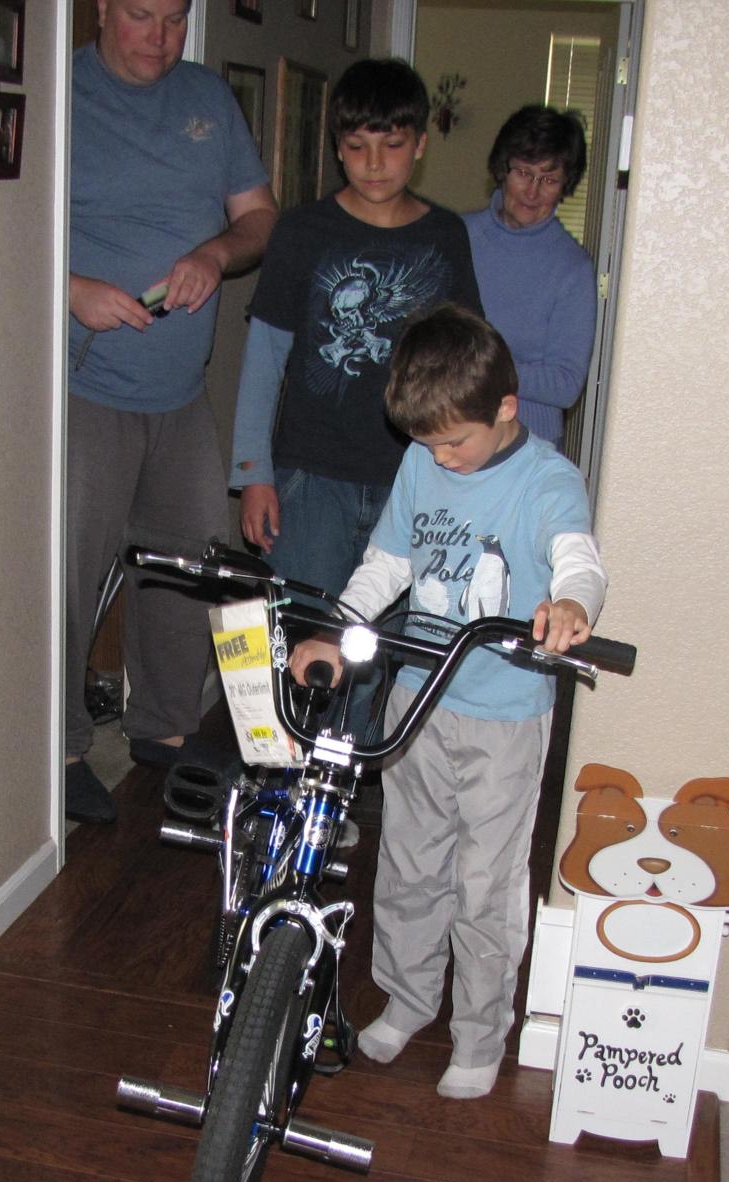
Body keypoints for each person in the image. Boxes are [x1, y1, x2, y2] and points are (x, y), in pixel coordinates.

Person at [289, 304, 607, 1100]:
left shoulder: (546, 481)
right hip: (418, 698)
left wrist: (573, 603)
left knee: (486, 882)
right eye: (427, 445)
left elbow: (578, 559)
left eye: (454, 442)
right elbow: (388, 563)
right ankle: (407, 998)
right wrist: (338, 633)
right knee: (408, 862)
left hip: (505, 716)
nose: (441, 459)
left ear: (506, 408)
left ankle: (479, 1032)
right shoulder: (424, 461)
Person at [65, 0, 278, 825]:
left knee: (189, 568)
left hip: (181, 392)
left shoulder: (207, 100)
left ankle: (161, 729)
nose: (160, 38)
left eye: (175, 19)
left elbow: (258, 218)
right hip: (88, 387)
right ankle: (63, 749)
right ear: (102, 10)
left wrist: (214, 254)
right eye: (141, 16)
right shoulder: (64, 96)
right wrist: (70, 291)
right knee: (71, 573)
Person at [229, 58, 483, 600]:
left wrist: (473, 470)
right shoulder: (300, 231)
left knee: (390, 638)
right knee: (304, 631)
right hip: (310, 476)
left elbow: (467, 367)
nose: (374, 163)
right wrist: (253, 473)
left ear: (420, 144)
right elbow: (264, 360)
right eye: (357, 145)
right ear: (338, 147)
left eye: (392, 144)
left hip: (416, 475)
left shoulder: (445, 236)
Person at [462, 105, 597, 444]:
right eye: (523, 172)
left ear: (565, 185)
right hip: (451, 433)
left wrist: (478, 370)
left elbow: (565, 384)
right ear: (502, 169)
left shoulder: (572, 268)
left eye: (549, 179)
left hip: (528, 446)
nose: (532, 192)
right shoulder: (457, 236)